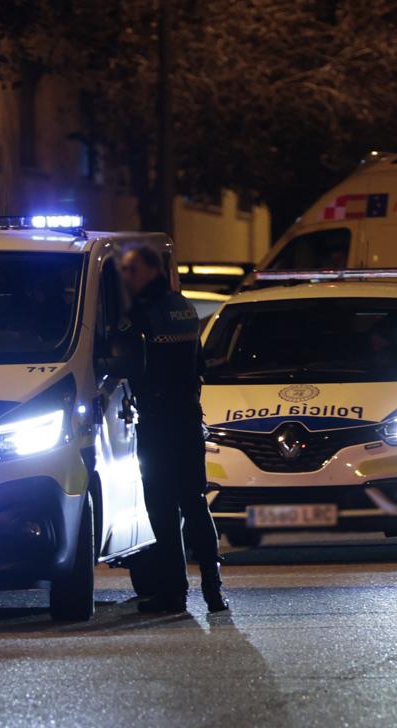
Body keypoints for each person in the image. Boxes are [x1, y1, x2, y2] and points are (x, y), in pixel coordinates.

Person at [119, 244, 228, 614]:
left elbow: (126, 362)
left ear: (151, 269)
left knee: (163, 508)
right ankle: (214, 592)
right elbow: (200, 364)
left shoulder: (142, 312)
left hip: (159, 422)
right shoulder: (184, 308)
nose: (127, 277)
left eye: (132, 270)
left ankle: (173, 593)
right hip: (187, 418)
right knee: (195, 504)